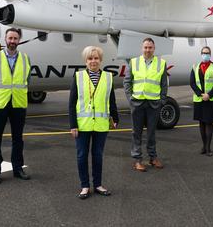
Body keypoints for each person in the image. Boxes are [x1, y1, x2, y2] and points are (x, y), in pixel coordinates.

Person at [69, 46, 119, 199]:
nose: (93, 61)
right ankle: (85, 186)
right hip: (82, 124)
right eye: (90, 58)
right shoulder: (78, 77)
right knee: (82, 155)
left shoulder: (108, 77)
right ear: (86, 61)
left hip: (101, 124)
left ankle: (98, 184)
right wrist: (73, 125)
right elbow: (72, 103)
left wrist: (115, 118)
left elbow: (111, 100)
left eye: (96, 58)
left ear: (100, 60)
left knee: (98, 155)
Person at [0, 27, 31, 184]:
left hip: (18, 103)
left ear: (19, 40)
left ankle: (18, 169)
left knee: (18, 139)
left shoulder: (25, 58)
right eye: (10, 38)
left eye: (15, 38)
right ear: (5, 39)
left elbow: (27, 80)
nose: (12, 41)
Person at [123, 37, 168, 171]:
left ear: (154, 49)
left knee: (151, 133)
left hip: (153, 103)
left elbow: (164, 84)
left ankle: (153, 158)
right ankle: (137, 160)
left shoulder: (161, 63)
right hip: (137, 102)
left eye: (150, 47)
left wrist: (162, 101)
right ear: (142, 48)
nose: (148, 50)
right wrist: (130, 99)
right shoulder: (134, 62)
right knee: (136, 133)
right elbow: (127, 82)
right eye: (145, 47)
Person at [189, 46, 213, 156]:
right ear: (201, 54)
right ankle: (203, 145)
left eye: (207, 53)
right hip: (199, 99)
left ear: (210, 54)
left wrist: (209, 95)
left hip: (210, 99)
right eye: (203, 52)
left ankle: (208, 148)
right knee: (201, 123)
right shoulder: (195, 66)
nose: (205, 54)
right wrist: (200, 94)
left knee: (209, 123)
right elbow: (192, 82)